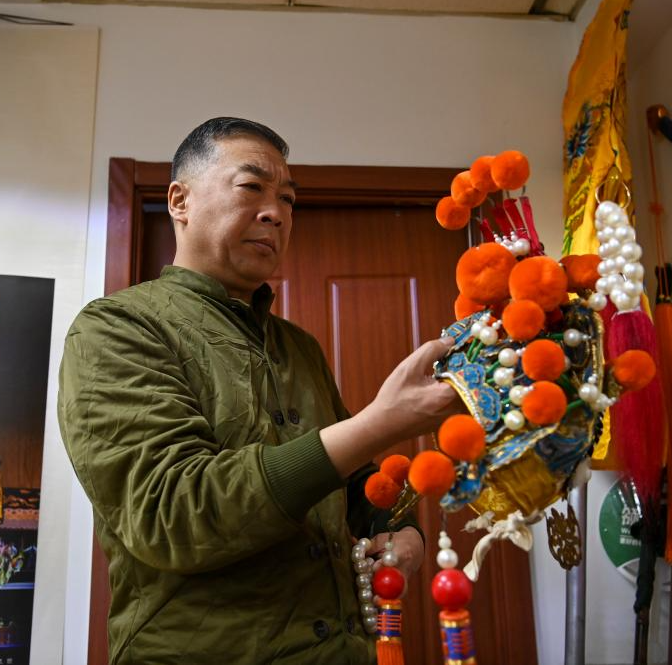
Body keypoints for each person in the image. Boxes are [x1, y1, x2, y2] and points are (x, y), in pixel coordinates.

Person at [58, 117, 457, 665]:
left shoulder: (298, 346)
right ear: (179, 201)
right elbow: (170, 512)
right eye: (252, 187)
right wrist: (378, 423)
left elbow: (351, 477)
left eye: (288, 199)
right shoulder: (117, 328)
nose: (276, 213)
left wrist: (400, 528)